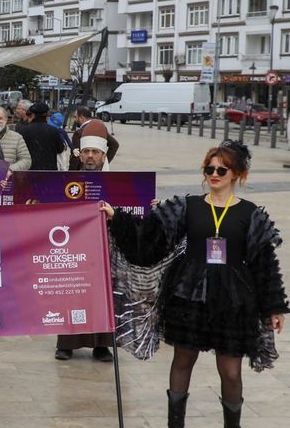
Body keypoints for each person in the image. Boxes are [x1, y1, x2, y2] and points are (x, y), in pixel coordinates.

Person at [101, 140, 288, 428]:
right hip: (188, 295)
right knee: (183, 360)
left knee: (231, 371)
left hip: (234, 300)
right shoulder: (186, 206)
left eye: (221, 169)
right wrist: (117, 218)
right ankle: (175, 424)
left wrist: (275, 307)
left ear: (238, 174)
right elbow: (148, 242)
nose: (214, 174)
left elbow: (265, 264)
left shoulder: (251, 214)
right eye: (209, 168)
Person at [53, 135, 114, 362]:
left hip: (102, 246)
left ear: (103, 156)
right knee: (73, 294)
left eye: (95, 152)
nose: (90, 156)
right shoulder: (68, 180)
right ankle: (67, 344)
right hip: (74, 244)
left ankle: (102, 346)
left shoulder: (114, 184)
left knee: (102, 295)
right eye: (86, 151)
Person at [16, 103, 64, 171]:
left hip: (30, 171)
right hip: (50, 172)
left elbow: (19, 152)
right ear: (46, 116)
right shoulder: (54, 131)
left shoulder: (24, 131)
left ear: (33, 115)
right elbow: (60, 149)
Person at [69, 106, 119, 170]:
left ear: (81, 117)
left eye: (75, 117)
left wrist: (71, 173)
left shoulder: (78, 133)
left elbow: (75, 156)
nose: (74, 120)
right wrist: (101, 162)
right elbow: (114, 144)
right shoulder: (100, 128)